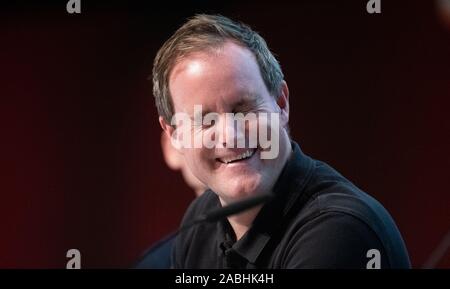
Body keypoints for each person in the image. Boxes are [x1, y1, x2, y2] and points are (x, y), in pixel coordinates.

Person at [153, 14, 411, 268]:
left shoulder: (340, 232)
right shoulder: (200, 222)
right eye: (205, 119)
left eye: (243, 109)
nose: (230, 135)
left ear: (281, 104)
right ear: (175, 135)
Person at [134, 132, 207, 268]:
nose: (229, 135)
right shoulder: (156, 264)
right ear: (172, 146)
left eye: (241, 113)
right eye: (205, 122)